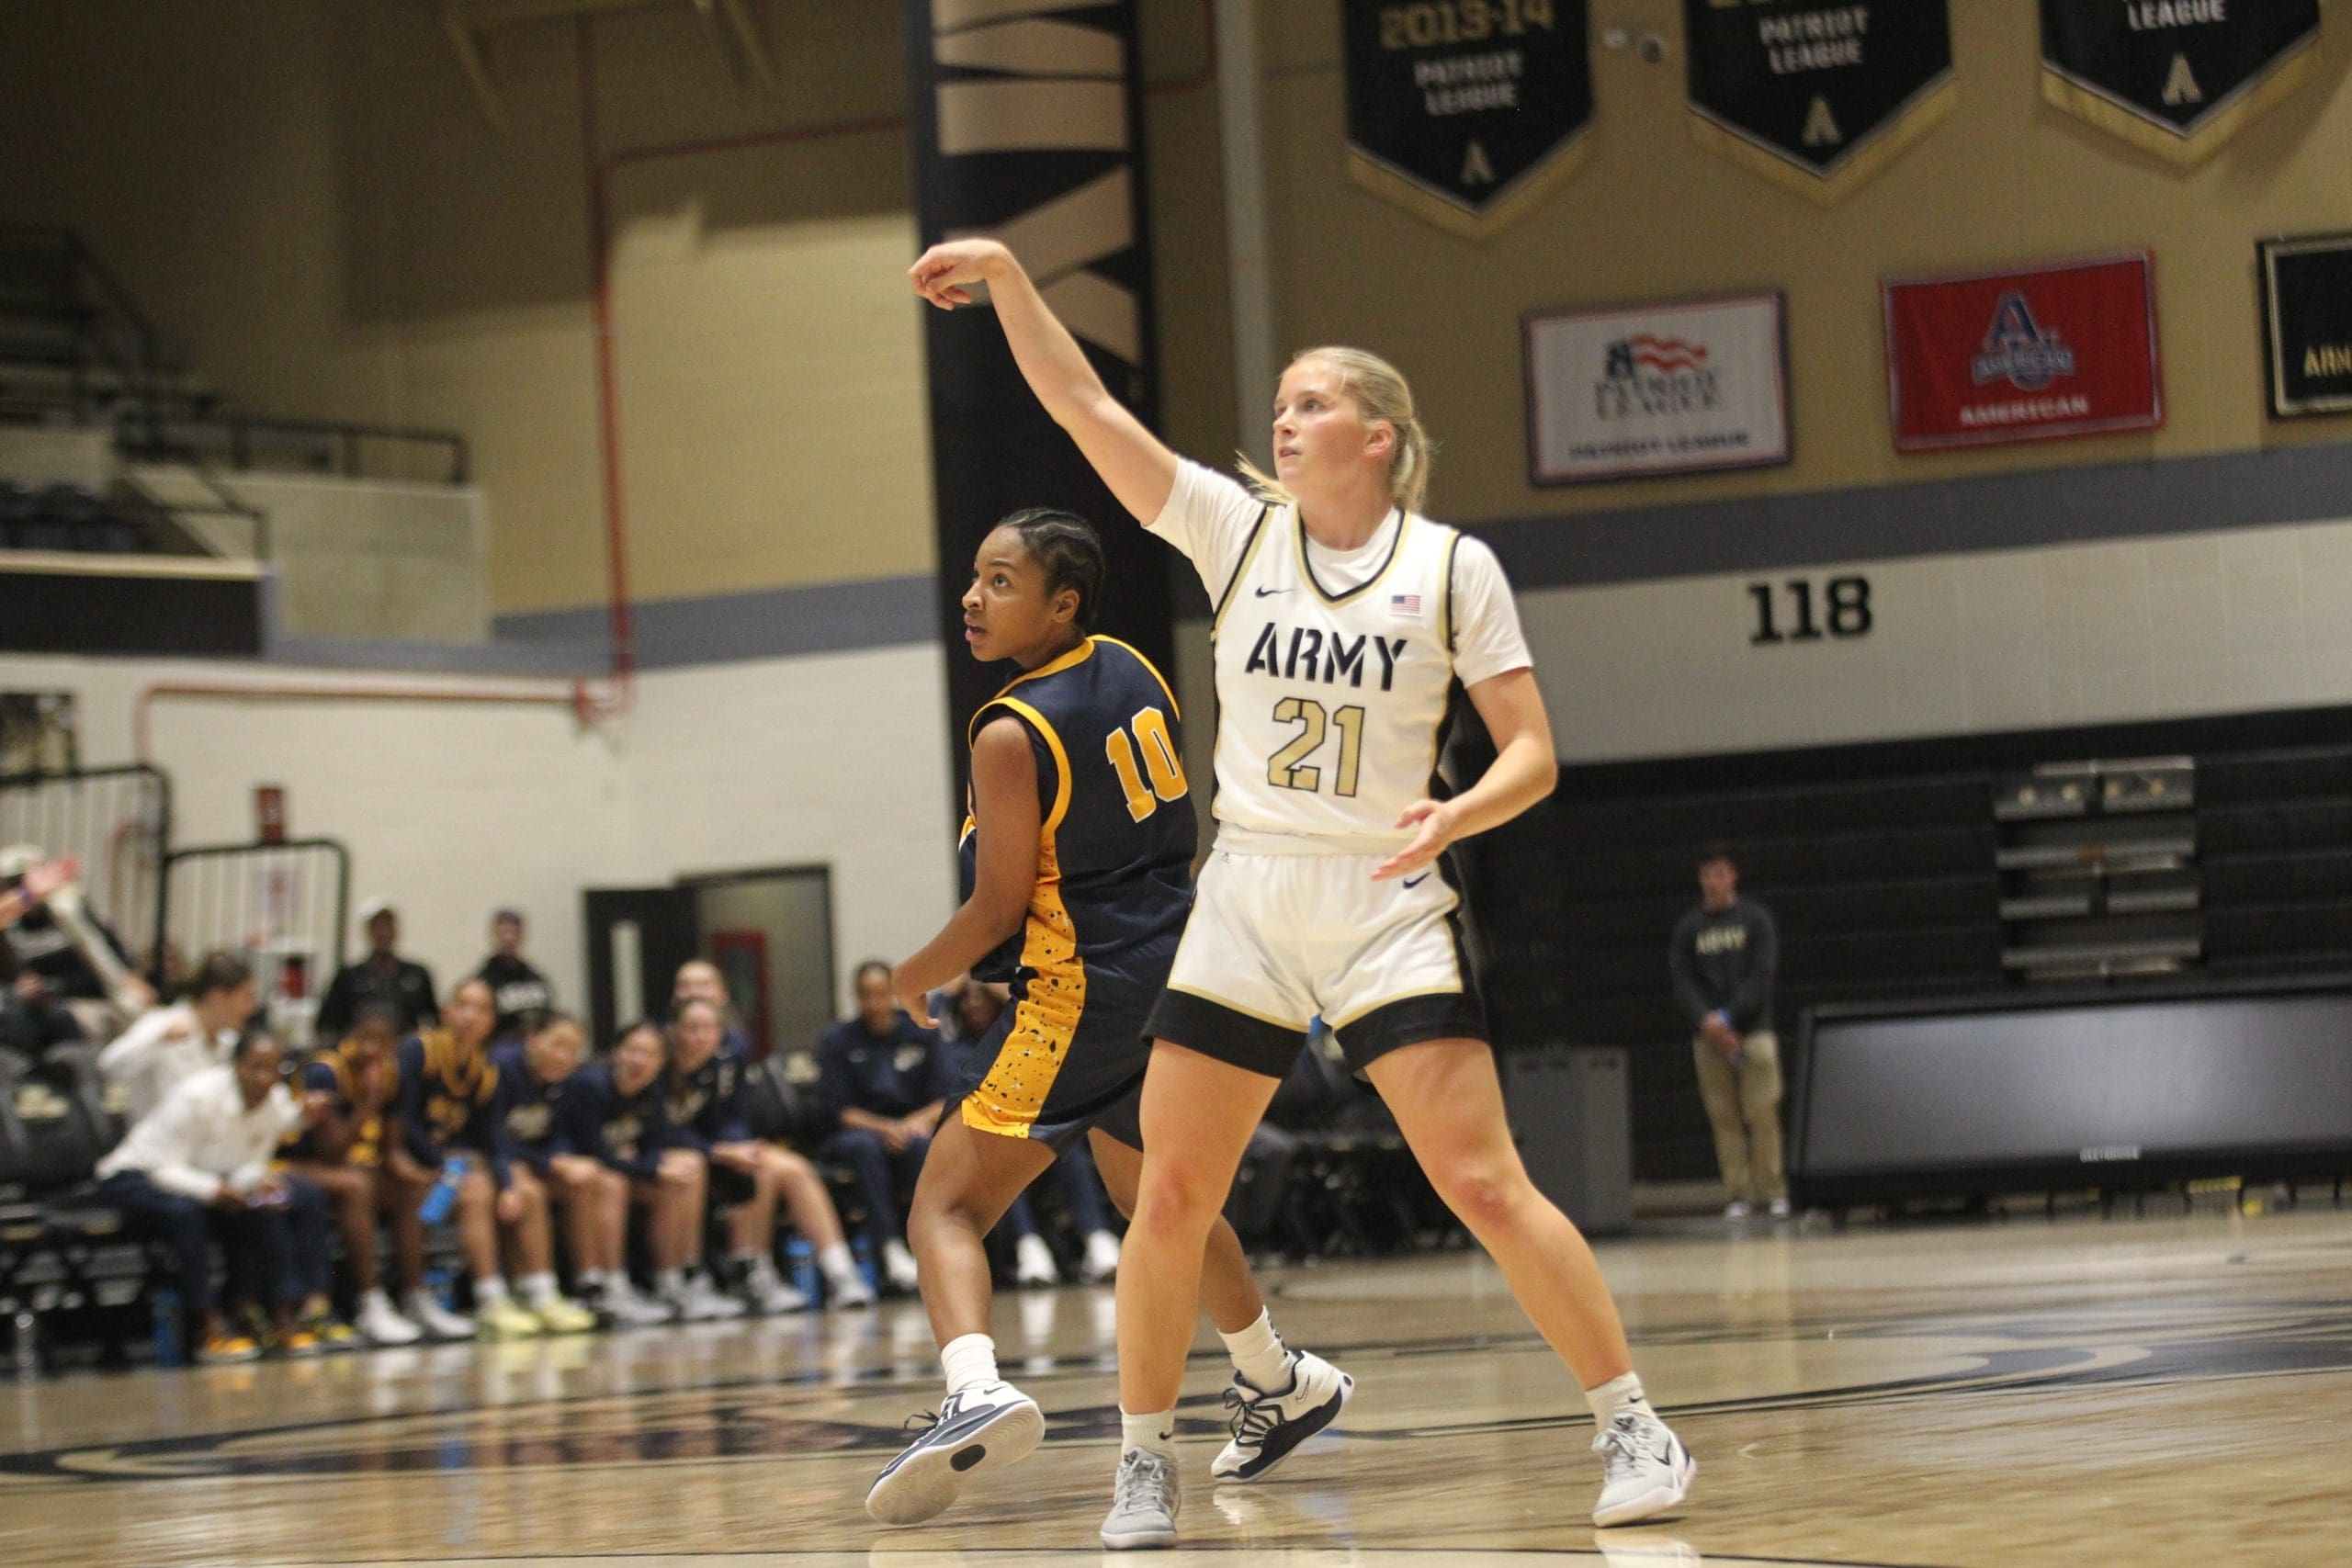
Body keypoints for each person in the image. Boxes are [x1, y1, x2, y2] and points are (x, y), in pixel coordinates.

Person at [910, 240, 1694, 1544]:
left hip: (1386, 900)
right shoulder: (1238, 528)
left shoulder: (1452, 568)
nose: (1286, 415)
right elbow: (1083, 408)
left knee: (1486, 1183)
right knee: (1169, 1195)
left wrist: (1462, 808)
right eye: (1280, 401)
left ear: (1379, 436)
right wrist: (1006, 278)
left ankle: (1630, 1418)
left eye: (1313, 400)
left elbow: (1535, 752)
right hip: (1250, 898)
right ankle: (1147, 1458)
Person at [865, 509, 1350, 1529]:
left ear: (1061, 603)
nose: (972, 596)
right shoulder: (1132, 665)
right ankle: (1276, 1377)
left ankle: (972, 1390)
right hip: (1182, 963)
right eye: (975, 578)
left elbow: (997, 909)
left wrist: (917, 973)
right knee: (1158, 1201)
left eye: (1000, 581)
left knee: (943, 1208)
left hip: (1083, 988)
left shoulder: (1009, 728)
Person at [94, 1032, 334, 1361]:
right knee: (187, 1214)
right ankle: (208, 1328)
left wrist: (256, 1182)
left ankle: (275, 1315)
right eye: (255, 1068)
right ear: (235, 1065)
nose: (264, 1078)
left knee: (266, 1206)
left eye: (273, 1070)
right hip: (133, 1178)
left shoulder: (275, 1102)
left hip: (200, 1178)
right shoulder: (198, 1097)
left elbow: (246, 1162)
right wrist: (215, 1189)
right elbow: (162, 1169)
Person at [384, 977, 594, 1339]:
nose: (470, 1016)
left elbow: (493, 1138)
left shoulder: (485, 1070)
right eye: (463, 1005)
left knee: (521, 1191)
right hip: (402, 1163)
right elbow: (403, 1122)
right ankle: (482, 1298)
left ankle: (538, 1293)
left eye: (480, 1009)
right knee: (474, 1190)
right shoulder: (419, 1050)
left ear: (491, 1022)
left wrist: (508, 1183)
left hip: (447, 1166)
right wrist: (444, 1162)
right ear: (446, 1012)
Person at [667, 995, 869, 1313]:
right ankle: (689, 1280)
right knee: (697, 1166)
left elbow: (733, 1116)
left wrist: (738, 1147)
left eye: (708, 1028)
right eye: (691, 1028)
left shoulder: (727, 1059)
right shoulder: (662, 1067)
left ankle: (839, 1274)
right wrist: (719, 1151)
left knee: (785, 1166)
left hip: (717, 1150)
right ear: (675, 1032)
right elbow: (661, 1130)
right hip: (676, 1154)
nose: (699, 1036)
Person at [491, 1010, 671, 1326]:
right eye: (558, 1045)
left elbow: (559, 1132)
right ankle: (533, 1293)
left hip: (531, 1158)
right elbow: (492, 1139)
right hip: (493, 1161)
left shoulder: (565, 1080)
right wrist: (553, 1162)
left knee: (595, 1180)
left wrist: (562, 1159)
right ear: (533, 1039)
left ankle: (596, 1286)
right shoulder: (501, 1069)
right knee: (528, 1191)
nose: (565, 1056)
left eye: (574, 1050)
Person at [561, 1020, 744, 1321]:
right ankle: (610, 1288)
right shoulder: (590, 1085)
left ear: (661, 1062)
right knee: (614, 1182)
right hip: (577, 1172)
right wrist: (651, 1167)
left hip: (616, 1170)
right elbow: (597, 1153)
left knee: (687, 1167)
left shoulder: (651, 1089)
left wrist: (652, 1165)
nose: (638, 1060)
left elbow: (654, 1145)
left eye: (649, 1054)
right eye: (632, 1050)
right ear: (615, 1052)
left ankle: (676, 1280)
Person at [944, 978, 1122, 1288]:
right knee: (996, 1161)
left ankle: (1097, 1240)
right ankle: (1029, 1248)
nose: (972, 1004)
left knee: (1069, 1148)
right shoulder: (954, 1049)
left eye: (980, 997)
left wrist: (989, 983)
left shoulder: (1023, 1036)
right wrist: (966, 978)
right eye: (966, 999)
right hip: (990, 1135)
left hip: (1036, 1128)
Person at [277, 1008, 416, 1344]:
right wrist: (369, 1101)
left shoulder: (392, 1073)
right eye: (365, 1039)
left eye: (383, 1043)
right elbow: (331, 1153)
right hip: (289, 1164)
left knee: (409, 1190)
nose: (372, 1049)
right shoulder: (324, 1071)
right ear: (349, 1037)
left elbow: (391, 1148)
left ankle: (416, 1296)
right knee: (357, 1187)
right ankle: (370, 1302)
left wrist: (419, 1172)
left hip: (343, 1167)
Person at [815, 961, 951, 1294]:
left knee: (923, 1147)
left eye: (880, 994)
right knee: (865, 1148)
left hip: (911, 1129)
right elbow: (836, 1109)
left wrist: (909, 1125)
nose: (874, 1003)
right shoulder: (838, 1040)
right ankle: (889, 1248)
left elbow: (945, 1098)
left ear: (894, 994)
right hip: (857, 1135)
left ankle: (929, 1247)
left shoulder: (921, 1033)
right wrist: (885, 1128)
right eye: (866, 996)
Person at [1669, 846, 1787, 1223]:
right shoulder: (1689, 928)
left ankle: (1772, 1192)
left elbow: (1761, 976)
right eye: (1707, 875)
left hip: (1754, 1033)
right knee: (1724, 1118)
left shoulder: (1755, 920)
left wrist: (1731, 1018)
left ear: (1733, 875)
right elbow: (1683, 980)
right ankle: (1739, 1194)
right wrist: (1708, 1021)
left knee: (1763, 1112)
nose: (1713, 881)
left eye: (1720, 873)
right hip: (1708, 1039)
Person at [97, 951, 256, 1123]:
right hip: (157, 1142)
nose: (252, 1008)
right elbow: (109, 1064)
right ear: (217, 996)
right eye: (246, 998)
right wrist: (158, 1039)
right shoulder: (162, 1023)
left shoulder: (229, 1043)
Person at [317, 898, 438, 1040]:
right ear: (368, 931)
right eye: (377, 926)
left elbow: (434, 1022)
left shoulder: (417, 975)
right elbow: (327, 1025)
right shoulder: (348, 977)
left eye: (387, 925)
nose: (383, 932)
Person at [476, 908, 553, 1042]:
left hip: (537, 1045)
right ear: (494, 933)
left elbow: (549, 1017)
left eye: (513, 932)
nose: (508, 937)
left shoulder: (536, 978)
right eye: (504, 931)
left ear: (522, 935)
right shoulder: (483, 981)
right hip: (500, 1047)